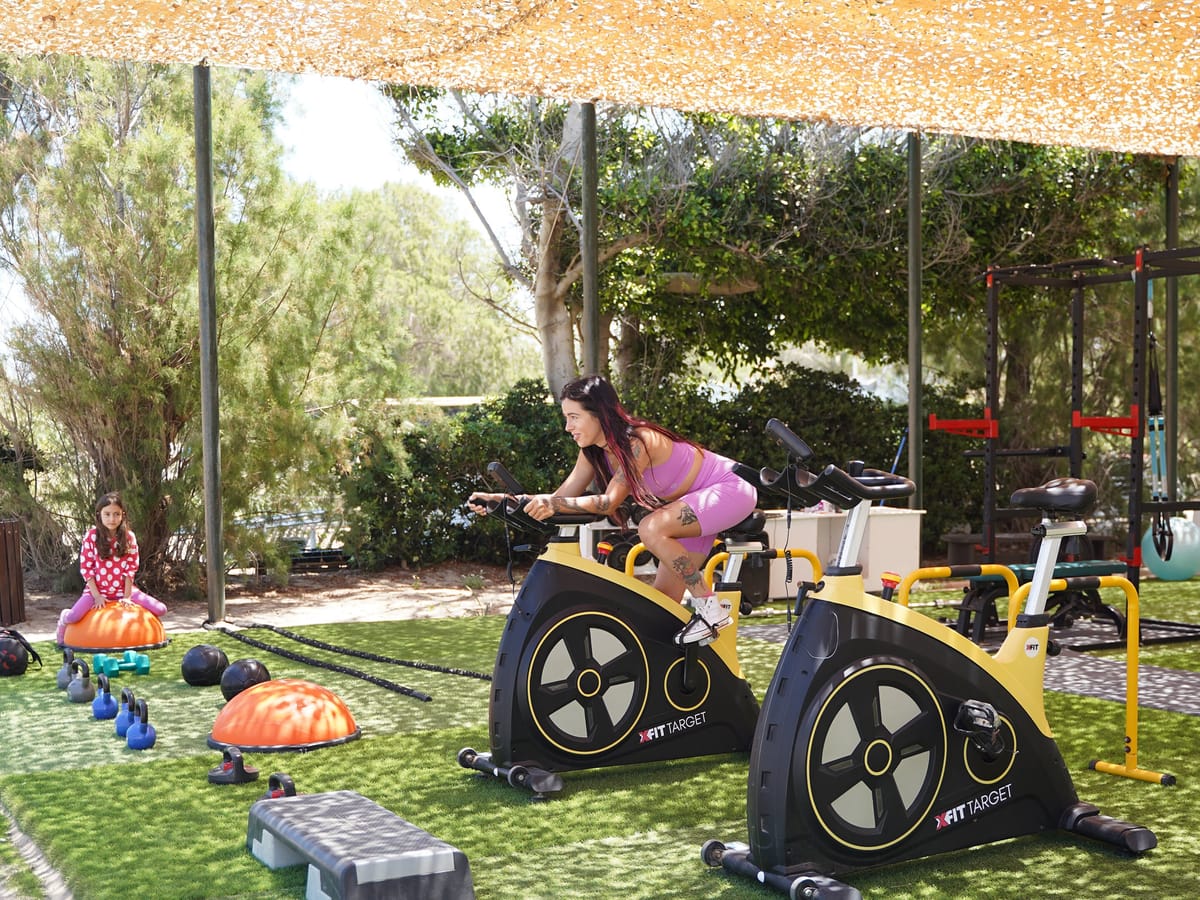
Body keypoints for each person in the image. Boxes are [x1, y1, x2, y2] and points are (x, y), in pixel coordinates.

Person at [469, 375, 757, 645]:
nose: (567, 427)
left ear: (599, 414)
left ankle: (710, 608)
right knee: (662, 609)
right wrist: (503, 501)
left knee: (650, 528)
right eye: (566, 418)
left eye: (574, 417)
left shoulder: (637, 442)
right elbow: (559, 498)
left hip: (730, 488)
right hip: (692, 504)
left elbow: (608, 503)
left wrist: (553, 504)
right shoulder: (592, 452)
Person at [56, 492, 167, 645]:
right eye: (107, 514)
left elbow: (131, 569)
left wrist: (127, 596)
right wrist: (97, 596)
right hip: (96, 591)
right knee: (74, 617)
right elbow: (86, 569)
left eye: (116, 514)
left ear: (123, 515)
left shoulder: (129, 537)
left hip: (123, 590)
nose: (112, 519)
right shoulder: (91, 536)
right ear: (99, 515)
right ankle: (63, 619)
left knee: (161, 609)